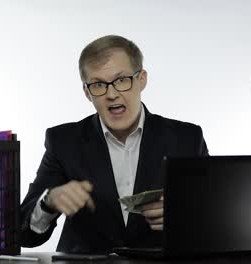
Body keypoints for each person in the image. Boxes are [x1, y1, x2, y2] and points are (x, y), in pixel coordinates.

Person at [19, 35, 209, 253]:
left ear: (142, 79)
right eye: (98, 84)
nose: (111, 94)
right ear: (87, 92)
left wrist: (181, 216)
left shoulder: (186, 139)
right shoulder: (63, 142)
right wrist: (49, 201)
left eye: (121, 80)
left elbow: (215, 218)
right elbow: (25, 235)